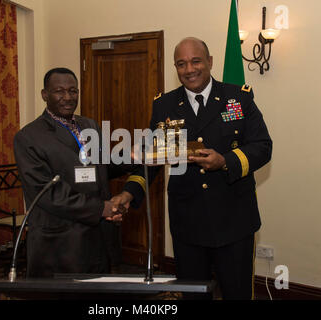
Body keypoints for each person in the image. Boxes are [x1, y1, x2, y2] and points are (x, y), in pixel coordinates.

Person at [113, 37, 273, 299]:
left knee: (238, 293)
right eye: (181, 64)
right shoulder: (164, 105)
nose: (189, 69)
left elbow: (262, 146)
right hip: (188, 224)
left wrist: (225, 161)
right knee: (192, 295)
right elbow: (153, 159)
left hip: (234, 221)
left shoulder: (238, 98)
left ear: (209, 62)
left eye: (196, 61)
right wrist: (129, 193)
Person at [14, 68, 128, 278]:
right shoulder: (28, 137)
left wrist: (133, 157)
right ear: (44, 95)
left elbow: (101, 168)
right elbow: (48, 194)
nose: (67, 97)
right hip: (60, 242)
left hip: (97, 237)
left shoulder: (89, 125)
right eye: (59, 91)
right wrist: (101, 208)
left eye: (73, 91)